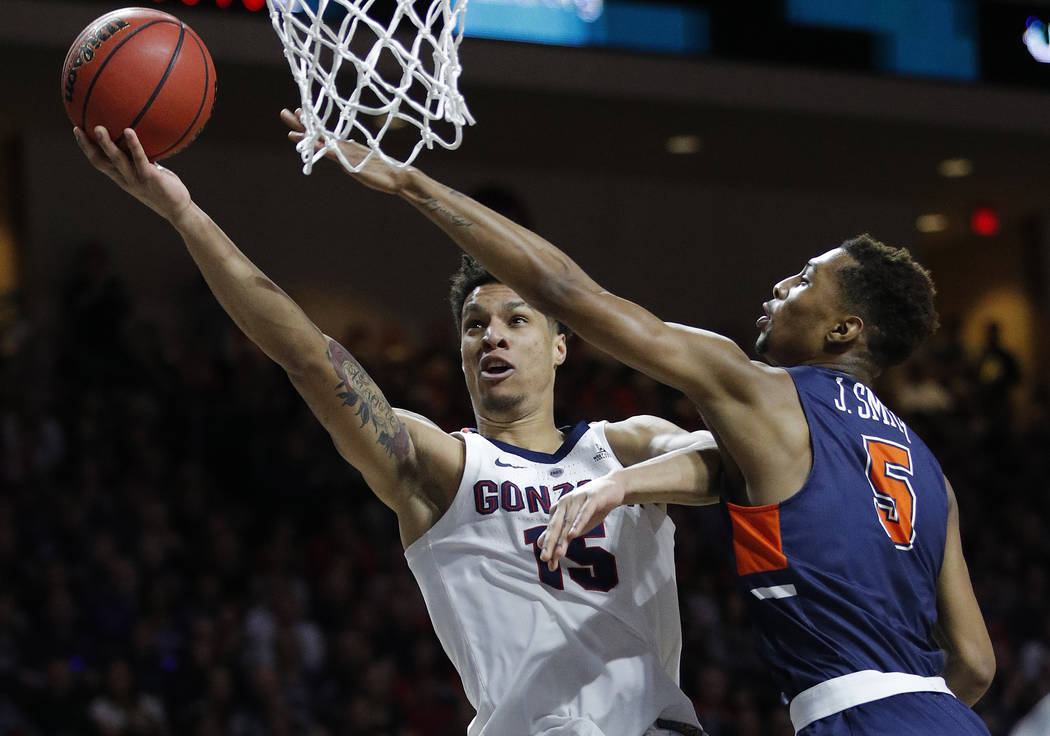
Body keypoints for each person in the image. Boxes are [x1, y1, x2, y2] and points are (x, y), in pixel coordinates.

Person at [297, 114, 998, 734]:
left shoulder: (763, 392)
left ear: (845, 328)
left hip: (854, 715)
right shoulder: (930, 471)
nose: (783, 288)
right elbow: (973, 663)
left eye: (806, 280)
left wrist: (415, 186)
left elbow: (568, 293)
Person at [73, 124, 722, 736]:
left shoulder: (626, 444)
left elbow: (728, 464)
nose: (491, 334)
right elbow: (305, 353)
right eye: (474, 325)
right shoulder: (442, 467)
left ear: (560, 344)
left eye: (515, 320)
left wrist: (617, 488)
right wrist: (185, 215)